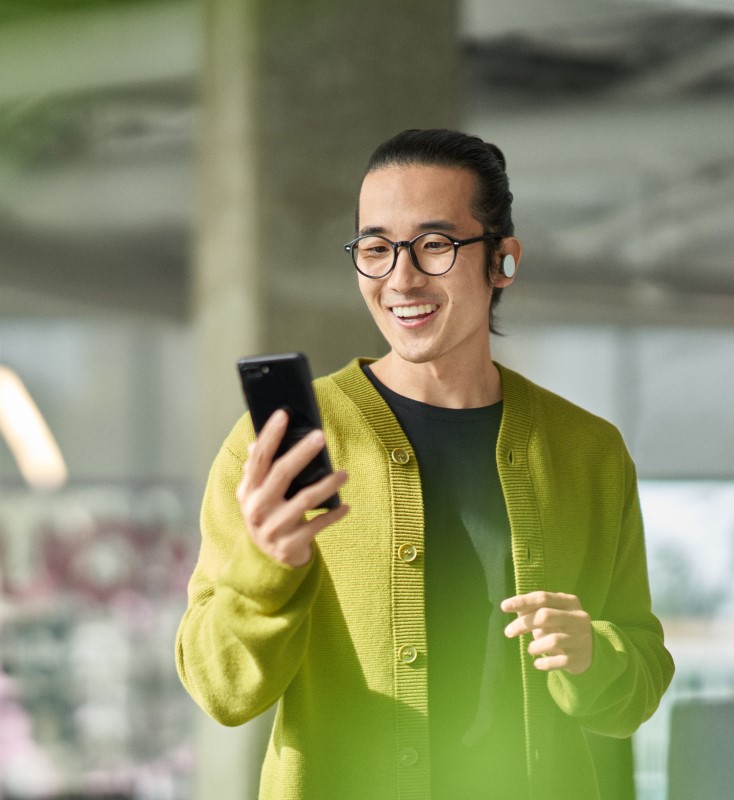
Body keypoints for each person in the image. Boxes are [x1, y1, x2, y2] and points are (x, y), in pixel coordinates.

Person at [175, 129, 674, 799]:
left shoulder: (589, 451)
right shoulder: (277, 445)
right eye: (376, 250)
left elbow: (634, 693)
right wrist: (267, 571)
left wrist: (590, 653)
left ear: (503, 261)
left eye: (435, 245)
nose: (400, 279)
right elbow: (221, 691)